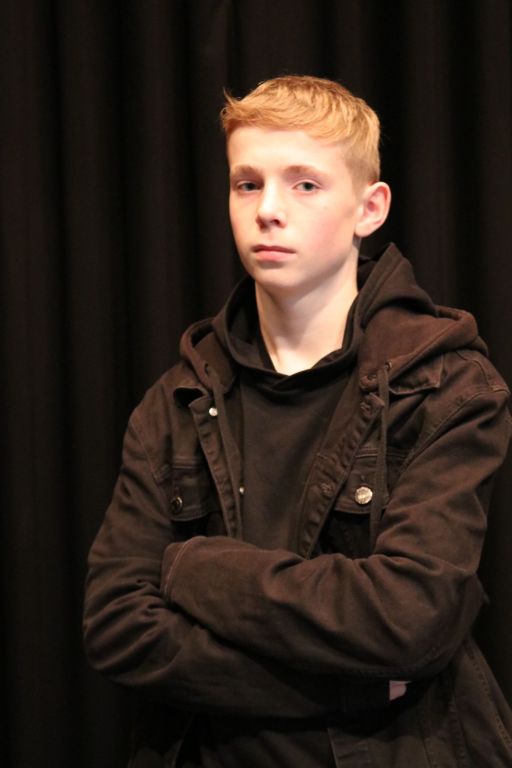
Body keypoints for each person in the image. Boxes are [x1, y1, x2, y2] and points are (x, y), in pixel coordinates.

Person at [83, 75, 512, 767]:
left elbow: (408, 616)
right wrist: (357, 685)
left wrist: (193, 567)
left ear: (369, 208)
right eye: (247, 184)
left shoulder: (450, 387)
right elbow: (116, 627)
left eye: (305, 184)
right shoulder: (176, 401)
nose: (268, 210)